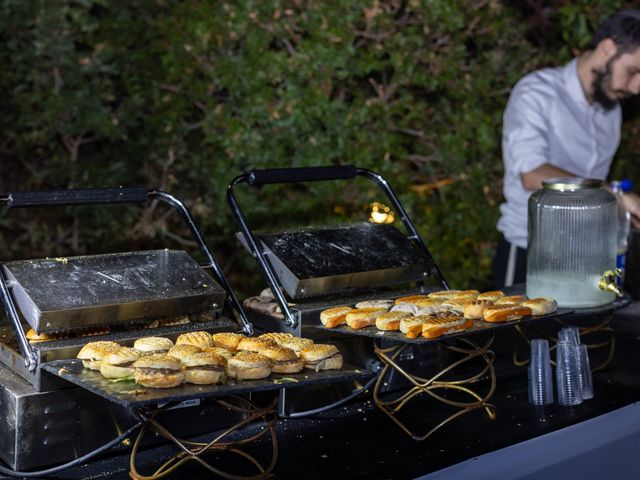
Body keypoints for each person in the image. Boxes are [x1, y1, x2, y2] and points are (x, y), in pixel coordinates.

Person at [494, 8, 640, 288]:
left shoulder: (611, 109)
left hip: (586, 256)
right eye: (633, 71)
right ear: (608, 49)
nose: (636, 88)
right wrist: (615, 194)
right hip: (531, 251)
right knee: (525, 333)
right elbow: (532, 174)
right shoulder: (537, 93)